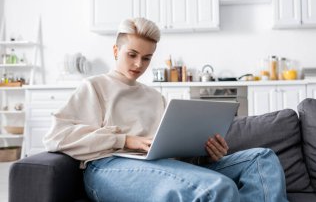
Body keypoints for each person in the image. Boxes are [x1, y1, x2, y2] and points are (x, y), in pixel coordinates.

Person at [43, 17, 288, 202]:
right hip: (109, 166)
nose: (139, 64)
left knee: (261, 159)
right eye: (132, 54)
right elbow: (56, 136)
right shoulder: (94, 86)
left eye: (147, 58)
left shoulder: (155, 97)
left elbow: (172, 153)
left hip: (163, 164)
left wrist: (206, 152)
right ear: (116, 51)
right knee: (216, 186)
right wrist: (126, 139)